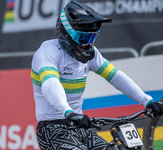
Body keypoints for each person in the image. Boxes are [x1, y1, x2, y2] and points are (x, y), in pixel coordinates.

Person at [31, 1, 163, 150]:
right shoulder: (47, 52)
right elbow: (51, 84)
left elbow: (115, 76)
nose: (87, 44)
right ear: (66, 32)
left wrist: (147, 101)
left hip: (81, 127)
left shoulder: (91, 54)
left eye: (92, 38)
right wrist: (68, 113)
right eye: (83, 38)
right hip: (52, 130)